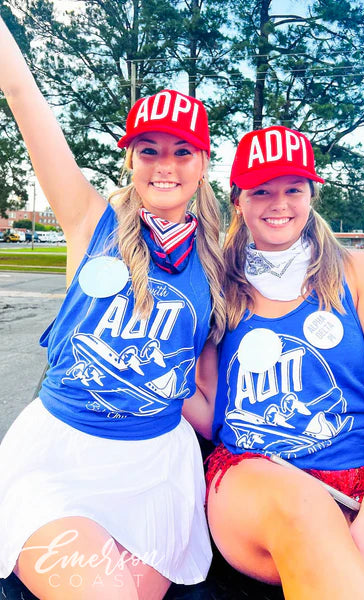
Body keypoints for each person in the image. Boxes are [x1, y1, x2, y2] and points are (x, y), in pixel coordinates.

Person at [0, 15, 225, 600]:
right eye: (149, 150)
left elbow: (205, 394)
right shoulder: (89, 220)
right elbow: (21, 94)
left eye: (182, 151)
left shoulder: (216, 262)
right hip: (61, 458)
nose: (165, 165)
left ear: (203, 164)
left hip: (155, 470)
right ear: (130, 160)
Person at [196, 125, 364, 600]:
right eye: (262, 191)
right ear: (238, 201)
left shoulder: (361, 272)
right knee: (304, 509)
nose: (280, 204)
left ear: (311, 196)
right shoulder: (213, 282)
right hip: (253, 475)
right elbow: (210, 414)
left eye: (293, 189)